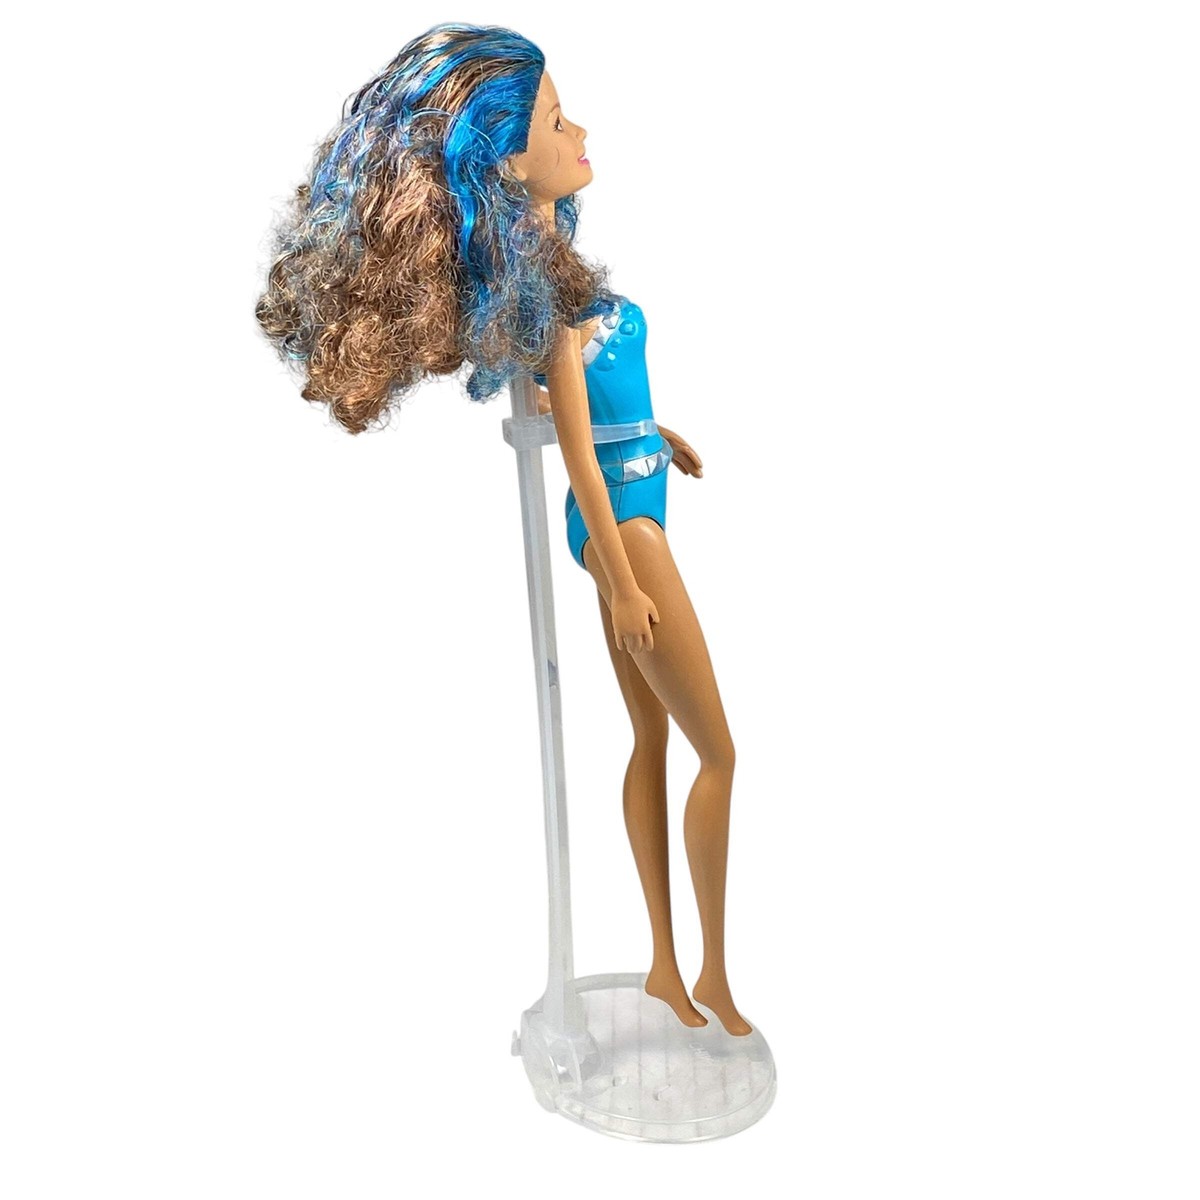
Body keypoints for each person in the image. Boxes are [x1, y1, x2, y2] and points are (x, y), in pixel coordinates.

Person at [256, 22, 751, 1036]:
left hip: (642, 491)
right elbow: (575, 452)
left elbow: (598, 411)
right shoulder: (549, 309)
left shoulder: (558, 273)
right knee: (721, 755)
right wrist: (622, 580)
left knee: (652, 734)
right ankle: (712, 973)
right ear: (512, 161)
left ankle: (665, 968)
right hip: (626, 529)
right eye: (557, 122)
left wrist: (657, 435)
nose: (581, 132)